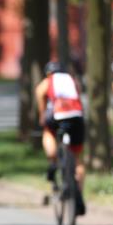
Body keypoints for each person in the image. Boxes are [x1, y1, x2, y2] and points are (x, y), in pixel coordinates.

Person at [35, 60, 86, 215]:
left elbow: (39, 92)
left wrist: (42, 114)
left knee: (48, 131)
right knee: (78, 158)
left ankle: (52, 160)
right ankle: (78, 195)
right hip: (76, 116)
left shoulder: (49, 80)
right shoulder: (72, 80)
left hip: (57, 115)